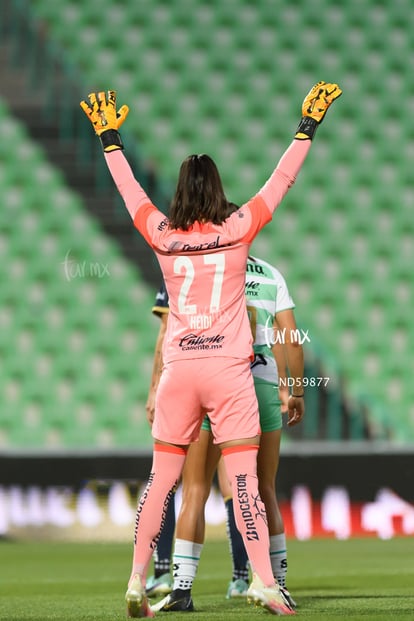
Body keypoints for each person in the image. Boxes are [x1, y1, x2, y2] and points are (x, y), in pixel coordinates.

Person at [80, 81, 341, 618]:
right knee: (244, 480)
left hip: (179, 370)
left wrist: (110, 140)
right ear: (219, 189)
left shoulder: (163, 235)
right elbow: (281, 181)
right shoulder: (240, 228)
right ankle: (265, 583)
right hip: (228, 372)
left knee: (162, 480)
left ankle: (135, 580)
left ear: (179, 193)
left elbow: (130, 193)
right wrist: (306, 128)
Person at [146, 256, 303, 613]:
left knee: (195, 490)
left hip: (206, 380)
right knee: (263, 489)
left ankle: (181, 588)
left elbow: (171, 331)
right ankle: (271, 584)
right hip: (258, 383)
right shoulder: (270, 274)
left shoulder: (200, 271)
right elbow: (289, 339)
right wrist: (295, 390)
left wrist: (160, 385)